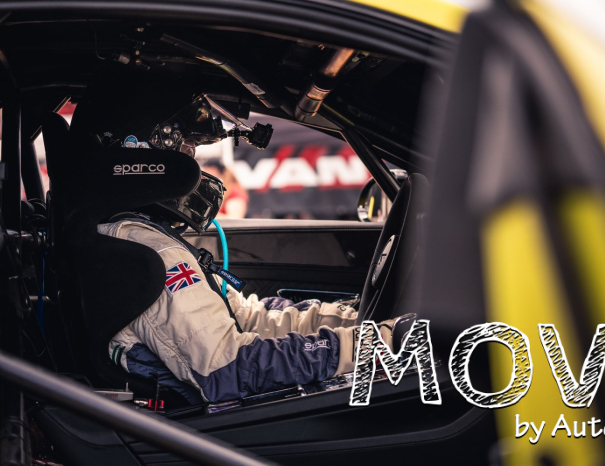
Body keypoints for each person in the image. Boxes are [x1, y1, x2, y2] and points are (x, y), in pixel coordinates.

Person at [69, 70, 410, 404]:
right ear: (141, 154)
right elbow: (228, 369)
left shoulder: (137, 237)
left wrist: (351, 322)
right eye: (187, 149)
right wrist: (374, 345)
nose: (192, 164)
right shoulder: (148, 252)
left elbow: (248, 317)